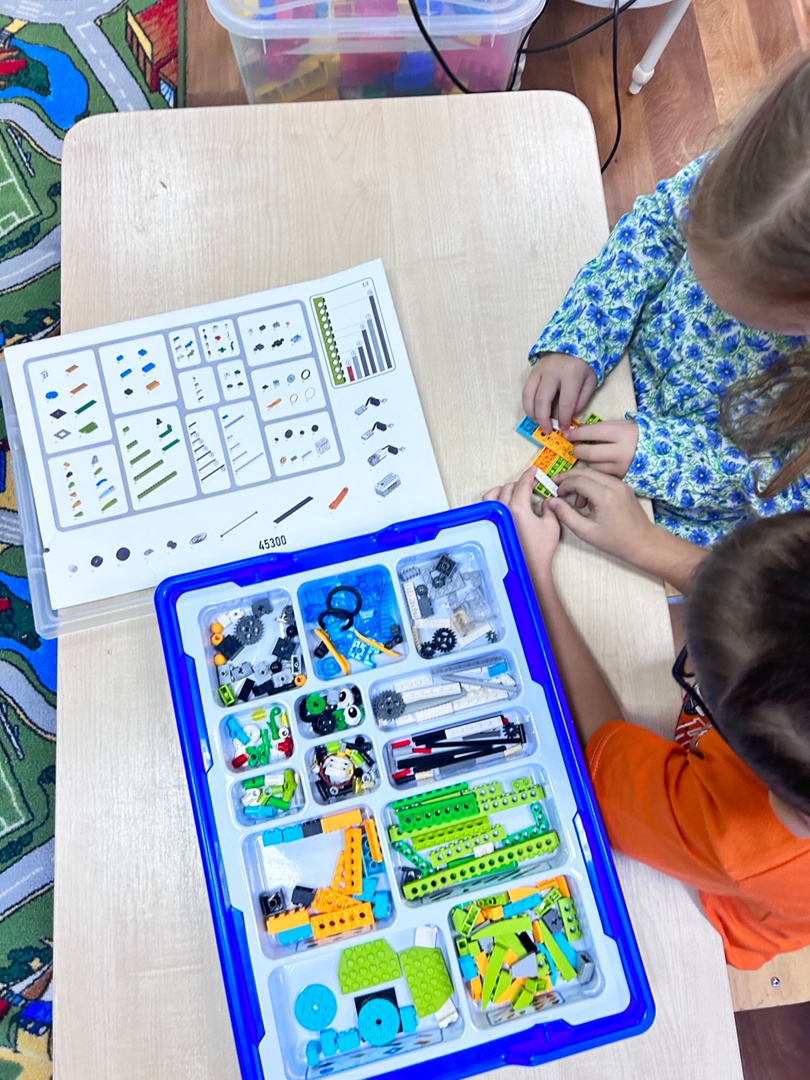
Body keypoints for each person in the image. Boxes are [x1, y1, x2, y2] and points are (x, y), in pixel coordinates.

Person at [485, 466, 810, 969]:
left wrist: (533, 581)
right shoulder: (788, 757)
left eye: (695, 670)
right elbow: (775, 609)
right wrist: (645, 542)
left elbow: (603, 756)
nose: (691, 661)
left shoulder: (742, 838)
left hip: (728, 907)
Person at [523, 57, 810, 546]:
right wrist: (582, 336)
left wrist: (659, 455)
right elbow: (656, 225)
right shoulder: (758, 174)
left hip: (688, 499)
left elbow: (785, 496)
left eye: (743, 311)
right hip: (618, 382)